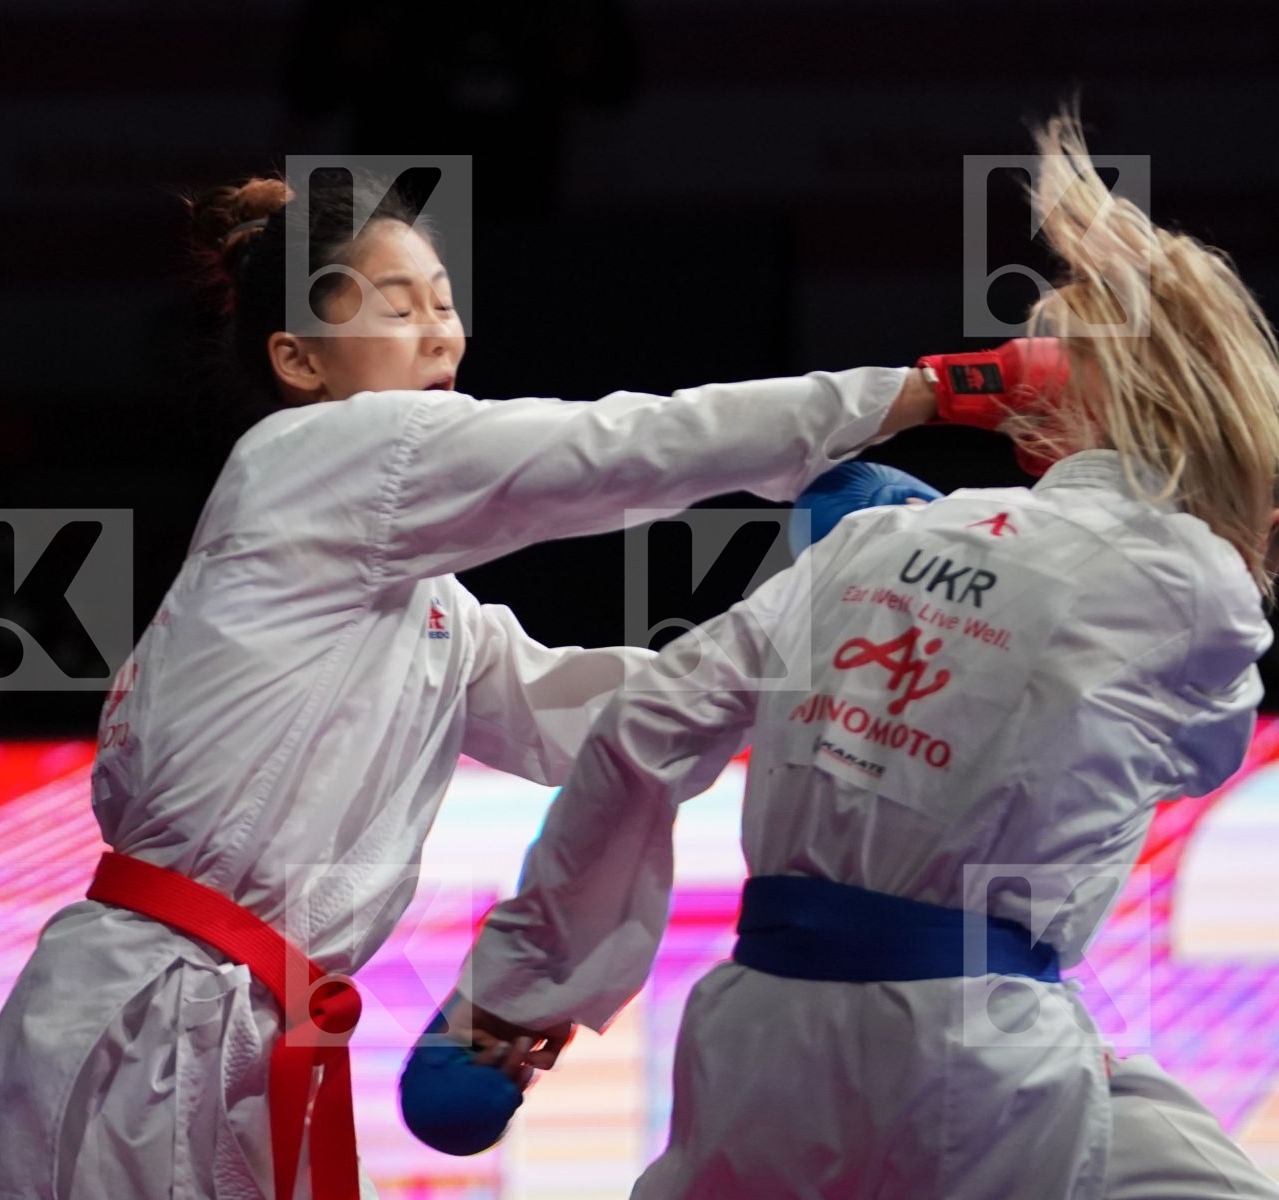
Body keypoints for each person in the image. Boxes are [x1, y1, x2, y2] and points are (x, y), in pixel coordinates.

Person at [0, 166, 987, 1200]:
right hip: (147, 1024)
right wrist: (924, 392)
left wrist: (817, 630)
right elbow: (620, 449)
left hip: (242, 1030)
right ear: (299, 361)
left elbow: (607, 720)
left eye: (446, 304)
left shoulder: (422, 605)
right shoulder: (306, 456)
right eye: (400, 308)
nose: (442, 332)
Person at [439, 110, 1279, 1198]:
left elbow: (642, 735)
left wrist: (517, 991)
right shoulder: (1193, 584)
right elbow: (1200, 759)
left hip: (756, 1028)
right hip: (975, 1049)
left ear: (1040, 406)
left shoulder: (872, 541)